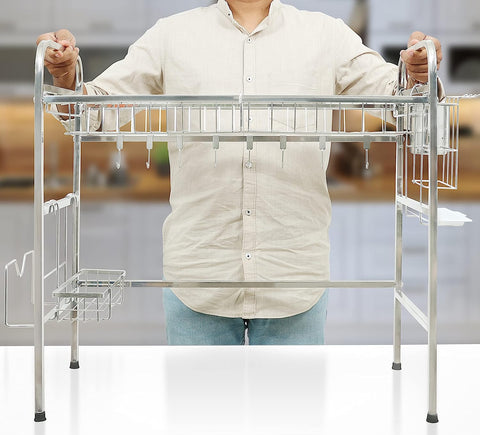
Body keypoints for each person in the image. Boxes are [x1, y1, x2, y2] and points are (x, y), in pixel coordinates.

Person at [37, 0, 443, 346]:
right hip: (198, 278)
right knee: (199, 417)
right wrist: (65, 77)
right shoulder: (170, 36)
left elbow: (401, 102)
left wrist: (419, 75)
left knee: (293, 417)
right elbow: (93, 112)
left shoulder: (327, 35)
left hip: (294, 278)